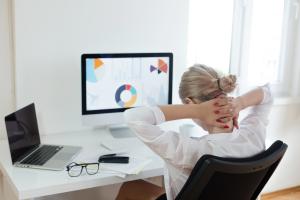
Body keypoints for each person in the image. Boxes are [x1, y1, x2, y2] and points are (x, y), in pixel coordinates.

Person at [116, 64, 273, 200]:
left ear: (189, 103)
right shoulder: (254, 134)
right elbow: (267, 93)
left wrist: (197, 110)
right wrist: (240, 103)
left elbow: (132, 116)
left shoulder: (190, 151)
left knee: (130, 187)